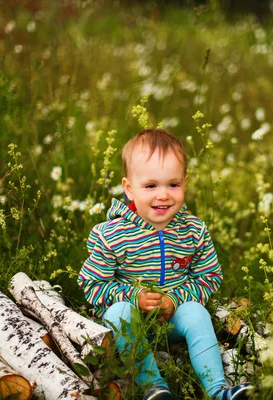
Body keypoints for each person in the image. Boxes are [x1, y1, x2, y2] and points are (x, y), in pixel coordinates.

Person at [78, 129, 254, 400]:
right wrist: (134, 297)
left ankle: (218, 391)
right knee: (118, 314)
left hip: (175, 319)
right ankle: (155, 389)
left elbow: (209, 277)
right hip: (133, 323)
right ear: (129, 188)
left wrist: (175, 299)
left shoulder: (193, 230)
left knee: (195, 312)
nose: (163, 195)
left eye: (173, 185)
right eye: (150, 186)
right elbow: (92, 284)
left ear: (185, 182)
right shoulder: (110, 235)